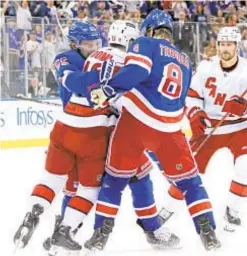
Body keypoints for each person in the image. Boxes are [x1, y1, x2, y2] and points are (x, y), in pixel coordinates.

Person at [84, 9, 221, 252]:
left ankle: (100, 235)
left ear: (149, 29)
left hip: (136, 124)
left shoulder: (144, 43)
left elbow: (137, 72)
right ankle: (208, 232)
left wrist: (108, 91)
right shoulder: (185, 59)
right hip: (170, 130)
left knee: (115, 180)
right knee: (191, 183)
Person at [48, 20, 180, 255]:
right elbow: (123, 100)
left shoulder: (91, 56)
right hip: (112, 132)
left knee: (78, 185)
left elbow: (77, 89)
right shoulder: (129, 62)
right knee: (139, 178)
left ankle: (64, 233)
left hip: (78, 128)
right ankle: (151, 229)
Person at [13, 20, 103, 250]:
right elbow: (79, 83)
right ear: (74, 43)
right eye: (87, 44)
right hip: (86, 129)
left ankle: (38, 215)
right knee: (84, 189)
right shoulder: (68, 58)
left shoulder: (87, 57)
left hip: (66, 125)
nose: (93, 47)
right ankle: (63, 231)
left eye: (96, 43)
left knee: (58, 182)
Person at [156, 26, 247, 232]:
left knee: (245, 166)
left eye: (229, 44)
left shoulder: (246, 70)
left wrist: (244, 108)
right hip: (209, 127)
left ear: (236, 46)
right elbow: (192, 95)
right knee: (188, 171)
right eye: (222, 44)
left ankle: (233, 210)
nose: (225, 48)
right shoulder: (206, 67)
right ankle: (168, 209)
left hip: (240, 127)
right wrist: (195, 113)